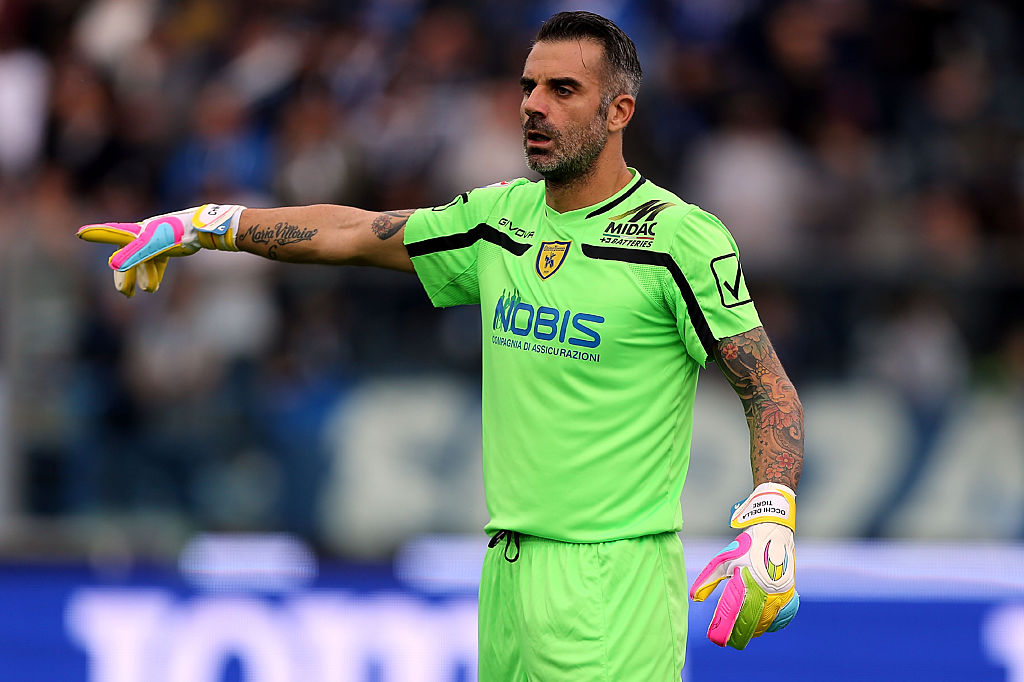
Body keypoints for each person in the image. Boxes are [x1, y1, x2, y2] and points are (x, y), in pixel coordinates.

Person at [79, 11, 803, 680]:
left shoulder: (676, 238)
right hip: (506, 573)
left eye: (562, 89)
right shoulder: (500, 218)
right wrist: (209, 223)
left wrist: (772, 515)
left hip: (612, 581)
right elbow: (353, 233)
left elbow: (767, 387)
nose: (534, 106)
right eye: (528, 87)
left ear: (619, 112)